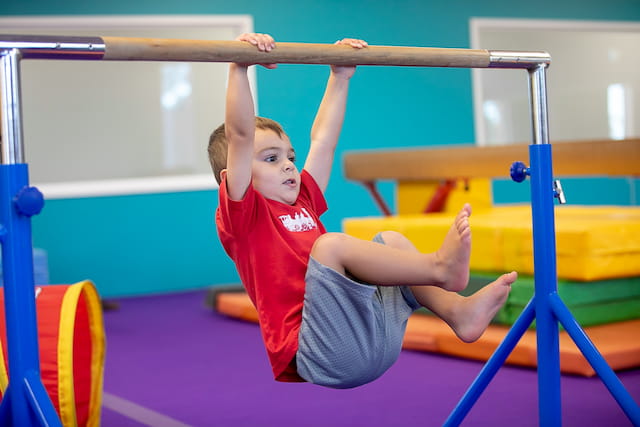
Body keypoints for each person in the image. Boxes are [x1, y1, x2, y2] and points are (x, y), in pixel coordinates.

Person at [209, 33, 517, 389]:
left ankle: (457, 312)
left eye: (290, 157)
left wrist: (339, 77)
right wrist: (238, 66)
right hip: (321, 352)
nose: (289, 166)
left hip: (369, 338)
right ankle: (438, 267)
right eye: (272, 159)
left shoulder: (303, 201)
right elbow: (240, 135)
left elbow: (323, 140)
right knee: (330, 245)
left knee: (392, 240)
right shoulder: (244, 217)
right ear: (232, 176)